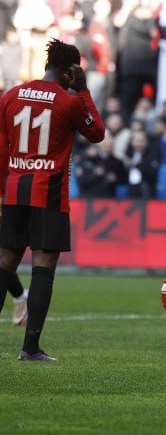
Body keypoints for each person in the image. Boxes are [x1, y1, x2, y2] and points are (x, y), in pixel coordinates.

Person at [0, 38, 105, 361]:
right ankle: (30, 348)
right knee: (43, 266)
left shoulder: (11, 96)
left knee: (5, 263)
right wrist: (84, 91)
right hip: (49, 192)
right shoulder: (69, 102)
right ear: (71, 71)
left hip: (15, 189)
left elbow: (2, 149)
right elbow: (97, 133)